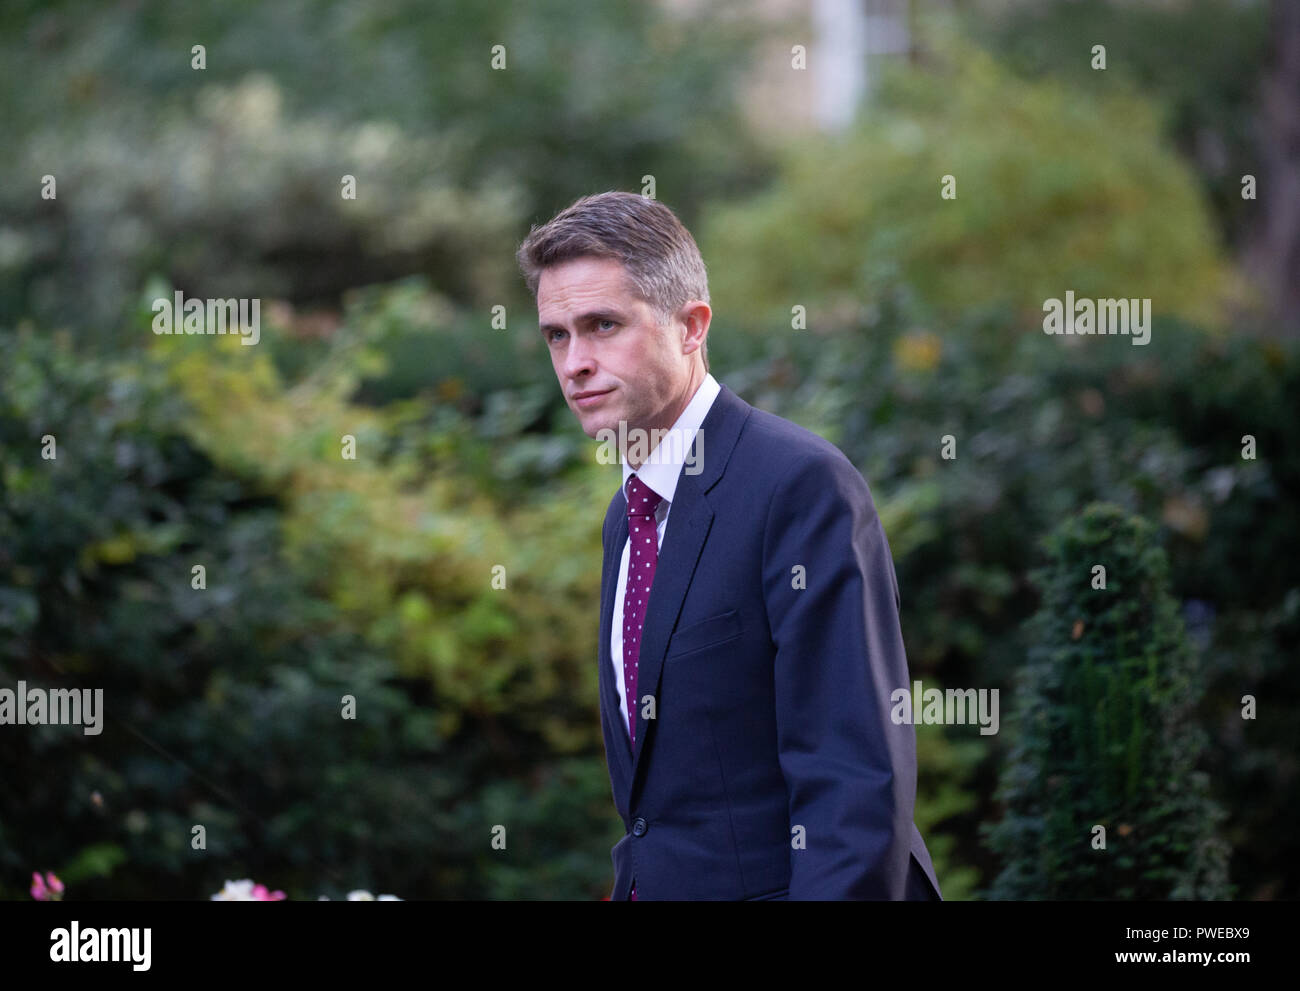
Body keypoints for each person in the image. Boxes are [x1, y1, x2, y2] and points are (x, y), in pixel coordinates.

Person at [516, 191, 943, 901]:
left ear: (691, 326)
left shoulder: (799, 485)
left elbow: (854, 779)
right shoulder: (627, 518)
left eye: (602, 325)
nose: (575, 362)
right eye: (557, 335)